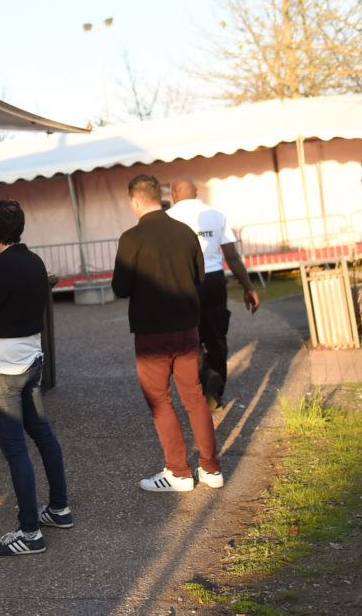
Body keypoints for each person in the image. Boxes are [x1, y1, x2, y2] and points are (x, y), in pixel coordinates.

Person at [0, 200, 72, 556]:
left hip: (1, 364)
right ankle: (59, 508)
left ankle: (30, 531)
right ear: (21, 227)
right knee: (42, 432)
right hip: (31, 358)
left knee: (14, 447)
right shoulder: (35, 262)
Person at [111, 174, 223, 493]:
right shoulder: (186, 232)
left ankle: (179, 472)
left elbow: (120, 288)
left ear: (135, 201)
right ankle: (211, 469)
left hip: (151, 334)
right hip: (187, 327)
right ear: (160, 197)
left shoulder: (131, 239)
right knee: (195, 396)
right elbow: (200, 275)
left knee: (161, 400)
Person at [167, 177, 260, 411]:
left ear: (174, 195)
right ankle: (216, 393)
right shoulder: (216, 215)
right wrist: (249, 288)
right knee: (217, 336)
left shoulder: (168, 218)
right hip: (215, 280)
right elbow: (232, 256)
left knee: (190, 337)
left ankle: (204, 375)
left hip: (185, 282)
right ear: (197, 192)